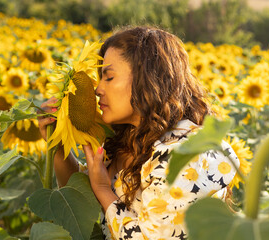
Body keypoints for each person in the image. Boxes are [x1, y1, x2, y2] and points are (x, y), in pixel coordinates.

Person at [38, 26, 240, 240]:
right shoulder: (126, 141)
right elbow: (81, 201)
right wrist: (58, 149)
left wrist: (104, 189)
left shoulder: (186, 155)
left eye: (109, 77)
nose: (97, 89)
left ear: (147, 79)